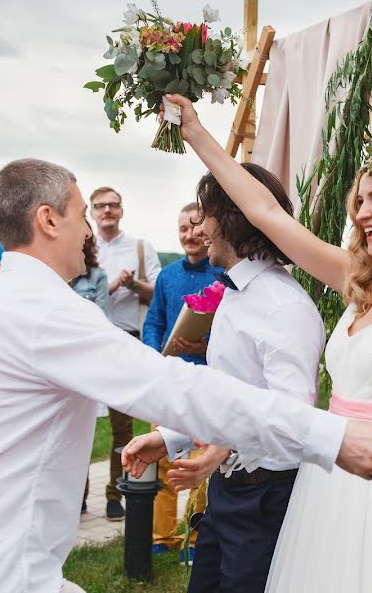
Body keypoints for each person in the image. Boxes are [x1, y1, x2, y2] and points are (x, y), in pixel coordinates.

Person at [0, 158, 372, 593]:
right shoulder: (44, 311)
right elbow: (175, 388)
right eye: (80, 214)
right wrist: (328, 434)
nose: (88, 229)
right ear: (48, 220)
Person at [164, 27, 372, 592]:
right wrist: (197, 134)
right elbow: (264, 212)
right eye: (359, 202)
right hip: (330, 469)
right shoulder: (356, 282)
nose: (362, 213)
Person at [129, 168, 324, 590]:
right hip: (228, 493)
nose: (199, 228)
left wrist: (220, 449)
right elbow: (223, 393)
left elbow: (294, 418)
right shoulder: (236, 295)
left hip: (267, 500)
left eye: (205, 215)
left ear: (233, 217)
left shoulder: (283, 307)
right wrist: (169, 438)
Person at [140, 201, 222, 560]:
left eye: (194, 228)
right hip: (168, 377)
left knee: (201, 458)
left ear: (206, 232)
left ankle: (193, 536)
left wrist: (205, 346)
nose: (188, 235)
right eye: (182, 229)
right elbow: (154, 320)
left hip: (206, 377)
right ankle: (161, 536)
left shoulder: (220, 275)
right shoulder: (167, 275)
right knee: (162, 457)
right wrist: (150, 353)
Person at [91, 185, 161, 521]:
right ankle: (76, 497)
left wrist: (133, 284)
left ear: (121, 210)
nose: (107, 211)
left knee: (121, 425)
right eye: (100, 206)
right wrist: (114, 285)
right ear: (91, 212)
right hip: (89, 342)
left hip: (127, 339)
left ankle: (114, 492)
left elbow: (157, 293)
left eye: (113, 205)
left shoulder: (140, 248)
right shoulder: (83, 249)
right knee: (79, 420)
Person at [70, 225, 109, 514]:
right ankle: (72, 498)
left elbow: (101, 321)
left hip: (85, 363)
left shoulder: (96, 277)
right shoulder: (55, 277)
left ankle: (81, 496)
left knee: (81, 434)